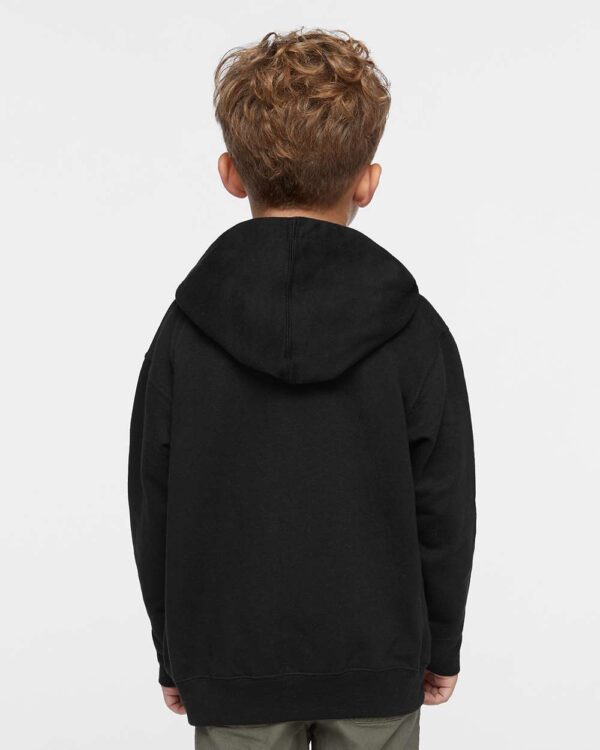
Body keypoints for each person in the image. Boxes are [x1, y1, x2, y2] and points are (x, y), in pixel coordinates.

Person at [128, 28, 477, 750]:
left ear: (231, 174)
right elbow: (444, 503)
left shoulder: (184, 334)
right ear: (367, 182)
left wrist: (176, 652)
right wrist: (440, 643)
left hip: (230, 665)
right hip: (377, 663)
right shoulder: (413, 330)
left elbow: (152, 502)